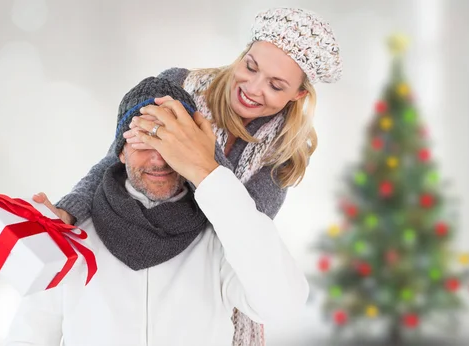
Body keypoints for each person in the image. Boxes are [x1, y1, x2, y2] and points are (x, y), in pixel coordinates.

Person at [41, 7, 343, 345]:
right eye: (251, 67)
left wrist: (202, 157)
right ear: (243, 54)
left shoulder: (281, 158)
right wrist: (67, 212)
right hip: (123, 257)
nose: (253, 88)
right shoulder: (177, 85)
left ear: (298, 95)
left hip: (202, 290)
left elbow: (242, 237)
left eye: (275, 85)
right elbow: (116, 160)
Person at [5, 77, 309, 346]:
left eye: (169, 143)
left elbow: (282, 303)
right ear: (120, 151)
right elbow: (28, 334)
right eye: (143, 142)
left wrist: (208, 173)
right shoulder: (73, 236)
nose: (158, 160)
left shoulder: (220, 236)